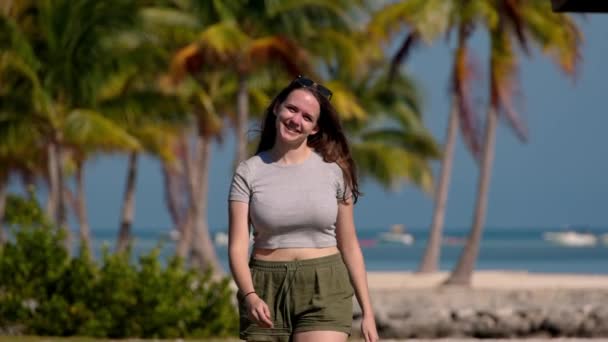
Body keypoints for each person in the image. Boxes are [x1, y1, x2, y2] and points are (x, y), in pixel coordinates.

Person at [228, 75, 379, 342]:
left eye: (307, 117)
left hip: (325, 284)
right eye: (292, 109)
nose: (296, 120)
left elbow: (350, 245)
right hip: (265, 285)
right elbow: (238, 246)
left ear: (315, 129)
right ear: (277, 108)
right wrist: (249, 295)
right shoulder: (248, 172)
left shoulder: (334, 172)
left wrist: (367, 311)